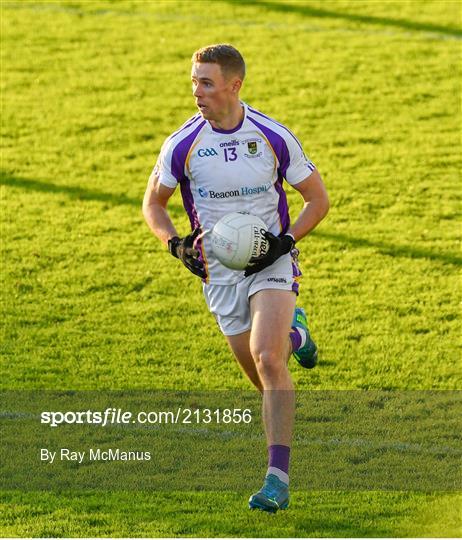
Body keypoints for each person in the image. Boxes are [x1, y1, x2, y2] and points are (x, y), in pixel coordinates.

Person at [142, 44, 329, 513]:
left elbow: (317, 199)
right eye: (193, 82)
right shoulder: (182, 144)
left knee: (267, 359)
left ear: (234, 85)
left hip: (270, 262)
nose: (196, 92)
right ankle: (296, 334)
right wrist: (176, 245)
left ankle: (276, 479)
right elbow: (154, 205)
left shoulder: (271, 136)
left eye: (206, 82)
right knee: (263, 375)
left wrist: (284, 242)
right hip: (219, 274)